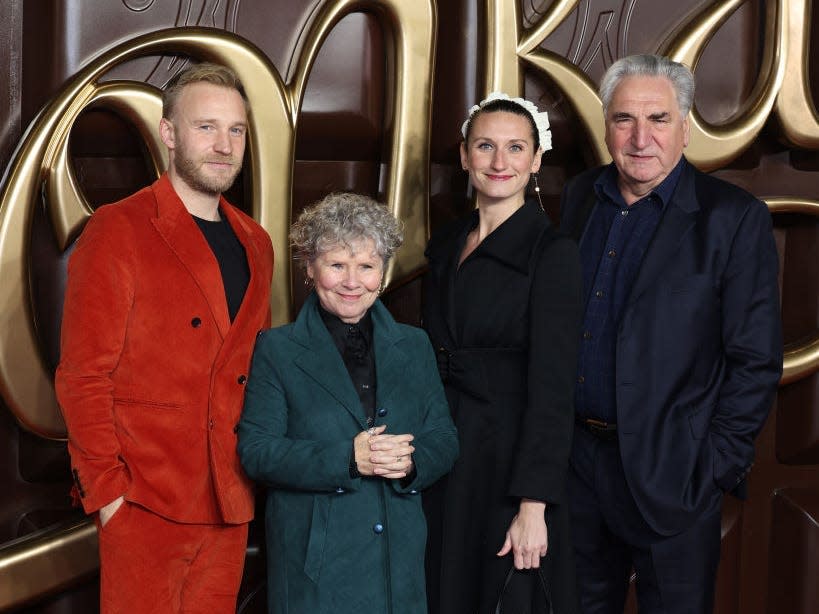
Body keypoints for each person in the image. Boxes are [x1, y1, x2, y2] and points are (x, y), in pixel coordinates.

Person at [559, 54, 783, 613]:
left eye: (658, 119)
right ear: (606, 125)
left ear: (685, 128)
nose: (640, 139)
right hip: (575, 472)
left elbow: (755, 359)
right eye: (624, 120)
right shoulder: (579, 199)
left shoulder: (732, 218)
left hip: (673, 475)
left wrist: (713, 468)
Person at [55, 62, 274, 613]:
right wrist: (108, 494)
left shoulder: (257, 241)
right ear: (169, 134)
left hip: (229, 497)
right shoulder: (119, 227)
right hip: (144, 497)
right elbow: (83, 375)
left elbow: (252, 366)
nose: (224, 145)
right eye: (206, 127)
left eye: (236, 130)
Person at [237, 192, 459, 614]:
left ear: (383, 271)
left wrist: (412, 463)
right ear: (309, 267)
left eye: (366, 266)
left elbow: (443, 438)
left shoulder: (415, 345)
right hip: (315, 568)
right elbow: (257, 452)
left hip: (400, 565)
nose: (352, 281)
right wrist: (348, 459)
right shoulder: (277, 349)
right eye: (337, 265)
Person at [423, 92, 583, 614]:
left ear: (536, 161)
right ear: (465, 156)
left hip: (509, 463)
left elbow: (554, 389)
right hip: (445, 449)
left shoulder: (551, 254)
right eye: (485, 146)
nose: (499, 162)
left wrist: (533, 505)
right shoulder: (447, 243)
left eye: (515, 148)